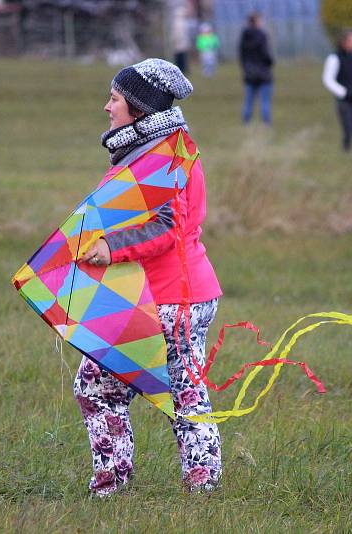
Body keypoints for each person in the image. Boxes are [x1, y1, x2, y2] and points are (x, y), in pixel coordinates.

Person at [77, 58, 223, 496]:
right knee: (185, 390)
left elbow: (167, 227)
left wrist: (111, 247)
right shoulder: (163, 148)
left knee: (96, 386)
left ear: (138, 109)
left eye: (115, 98)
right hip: (183, 293)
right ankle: (202, 486)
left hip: (166, 298)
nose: (107, 107)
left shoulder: (163, 157)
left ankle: (112, 484)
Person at [239, 12, 274, 125]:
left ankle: (246, 121)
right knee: (265, 100)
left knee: (249, 100)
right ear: (257, 22)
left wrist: (245, 68)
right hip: (263, 73)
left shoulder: (244, 36)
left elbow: (241, 55)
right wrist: (270, 61)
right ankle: (266, 122)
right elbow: (266, 55)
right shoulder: (262, 36)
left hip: (249, 72)